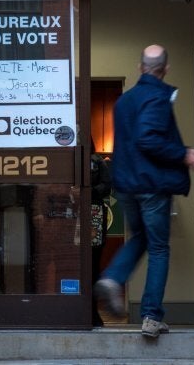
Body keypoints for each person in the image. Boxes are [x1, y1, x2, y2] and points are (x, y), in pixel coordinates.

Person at [94, 44, 194, 338]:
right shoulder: (158, 97)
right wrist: (184, 154)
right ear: (165, 69)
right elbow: (148, 139)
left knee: (141, 237)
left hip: (127, 186)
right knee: (158, 247)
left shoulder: (124, 101)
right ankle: (150, 316)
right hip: (151, 185)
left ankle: (112, 277)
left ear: (140, 67)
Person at [89, 139, 112, 326]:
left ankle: (92, 311)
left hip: (93, 214)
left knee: (93, 264)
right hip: (72, 217)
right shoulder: (70, 160)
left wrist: (86, 191)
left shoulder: (98, 161)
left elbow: (107, 186)